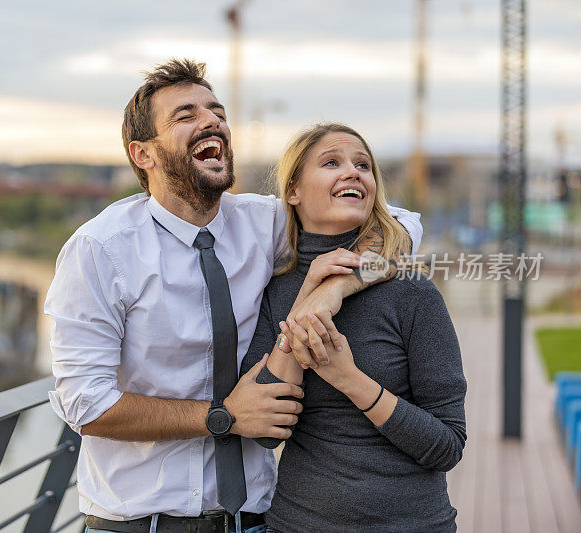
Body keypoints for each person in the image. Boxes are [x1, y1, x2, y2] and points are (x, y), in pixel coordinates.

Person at [45, 59, 423, 533]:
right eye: (186, 116)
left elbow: (401, 224)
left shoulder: (262, 225)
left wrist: (339, 285)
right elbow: (84, 402)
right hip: (141, 523)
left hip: (254, 520)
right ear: (143, 154)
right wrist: (222, 417)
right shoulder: (99, 249)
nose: (212, 122)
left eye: (217, 112)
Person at [240, 123, 467, 532]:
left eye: (363, 165)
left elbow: (446, 446)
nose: (353, 172)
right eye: (332, 162)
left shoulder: (412, 292)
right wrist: (308, 295)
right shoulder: (273, 291)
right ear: (292, 191)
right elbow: (266, 433)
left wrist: (350, 379)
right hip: (297, 524)